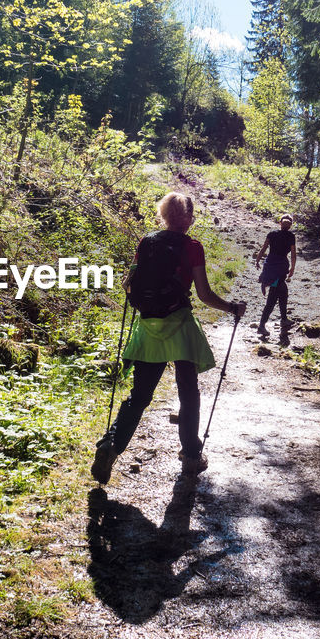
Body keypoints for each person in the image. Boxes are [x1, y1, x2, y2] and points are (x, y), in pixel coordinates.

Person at [92, 192, 246, 484]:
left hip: (150, 328)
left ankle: (111, 446)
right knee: (188, 393)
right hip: (180, 326)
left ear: (163, 215)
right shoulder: (193, 247)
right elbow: (204, 294)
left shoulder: (147, 241)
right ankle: (191, 456)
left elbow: (129, 285)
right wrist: (232, 308)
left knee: (139, 396)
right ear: (187, 218)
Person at [253, 214, 296, 341]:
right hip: (281, 268)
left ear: (280, 223)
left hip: (270, 266)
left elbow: (264, 247)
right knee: (273, 297)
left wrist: (258, 259)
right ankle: (261, 325)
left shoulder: (272, 234)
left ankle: (283, 319)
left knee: (283, 292)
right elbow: (293, 254)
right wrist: (292, 268)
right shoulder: (291, 236)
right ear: (290, 225)